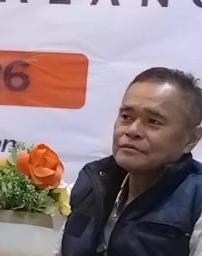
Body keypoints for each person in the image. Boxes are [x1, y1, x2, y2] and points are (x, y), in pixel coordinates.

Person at [60, 67, 202, 255]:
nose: (132, 130)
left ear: (192, 139)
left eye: (153, 121)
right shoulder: (91, 183)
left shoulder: (196, 199)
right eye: (126, 117)